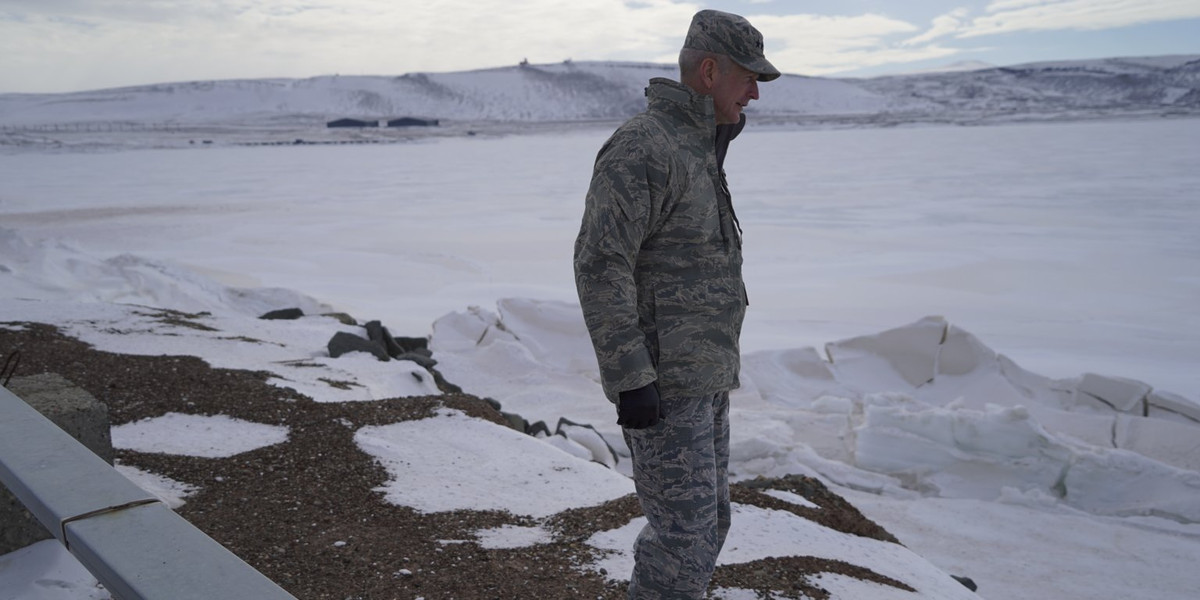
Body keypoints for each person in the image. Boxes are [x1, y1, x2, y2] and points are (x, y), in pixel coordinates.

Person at [573, 9, 779, 599]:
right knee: (682, 539)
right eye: (749, 77)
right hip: (663, 387)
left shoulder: (696, 147)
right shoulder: (643, 147)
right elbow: (600, 263)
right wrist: (631, 376)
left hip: (702, 378)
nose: (756, 93)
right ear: (710, 71)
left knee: (707, 526)